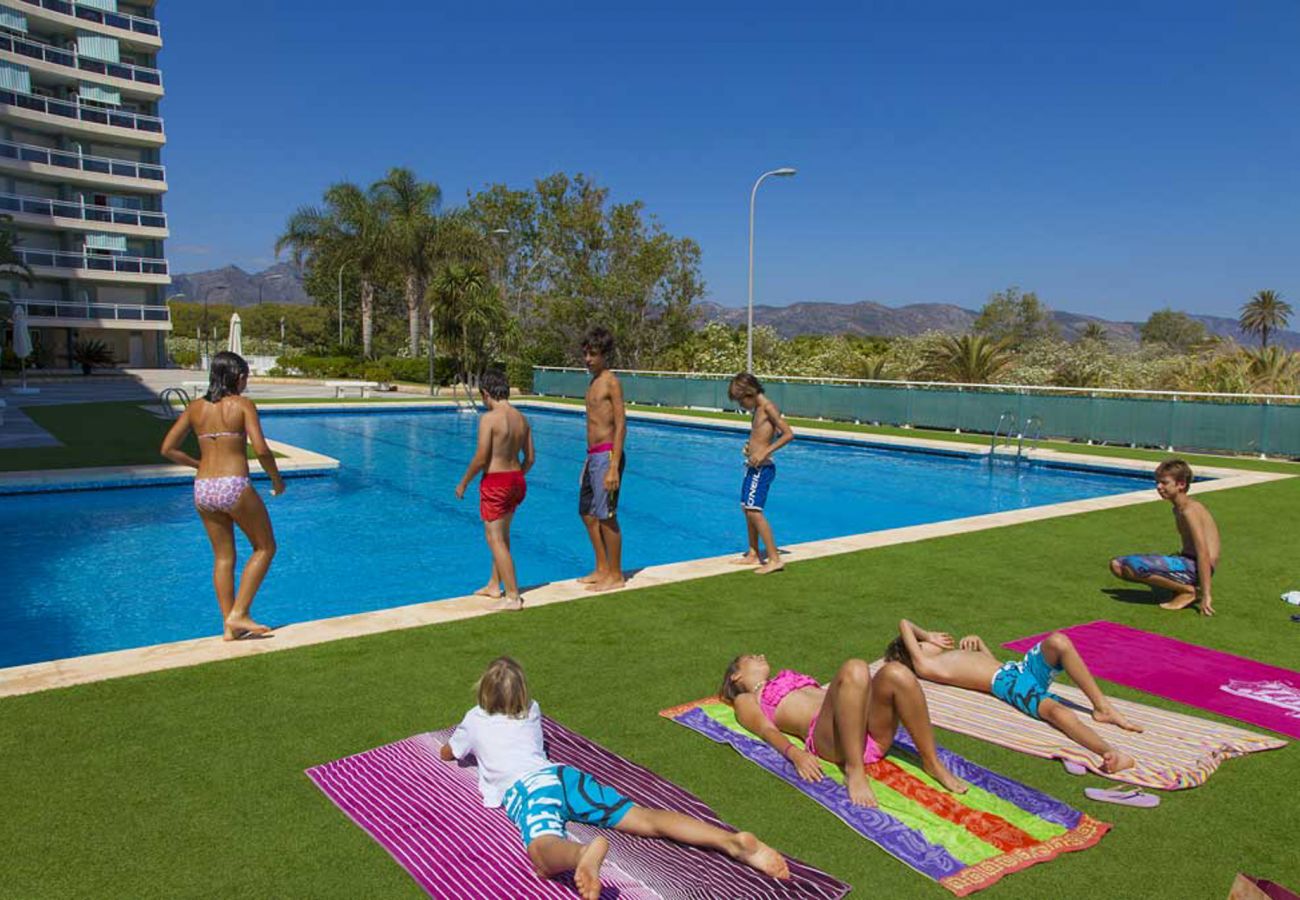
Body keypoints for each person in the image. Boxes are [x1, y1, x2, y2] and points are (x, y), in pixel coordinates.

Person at [440, 657, 789, 899]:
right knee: (647, 819)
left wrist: (461, 744)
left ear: (482, 692)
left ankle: (582, 854)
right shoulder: (532, 710)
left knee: (542, 854)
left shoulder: (474, 718)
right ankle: (729, 841)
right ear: (522, 694)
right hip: (564, 777)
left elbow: (449, 752)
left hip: (530, 789)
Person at [886, 619, 1142, 773]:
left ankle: (1102, 707)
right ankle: (1109, 752)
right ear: (915, 652)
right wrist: (926, 635)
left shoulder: (943, 659)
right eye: (923, 643)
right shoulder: (926, 665)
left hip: (1017, 670)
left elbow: (991, 665)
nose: (933, 640)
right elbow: (904, 623)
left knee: (1059, 641)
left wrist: (980, 644)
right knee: (1058, 712)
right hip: (1009, 684)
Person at [721, 652, 968, 808]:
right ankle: (853, 770)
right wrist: (795, 754)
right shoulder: (746, 699)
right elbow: (766, 730)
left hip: (865, 729)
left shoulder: (785, 677)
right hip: (831, 738)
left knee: (896, 672)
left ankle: (931, 761)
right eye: (751, 657)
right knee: (855, 667)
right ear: (736, 675)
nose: (761, 655)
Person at [160, 352, 283, 641]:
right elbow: (261, 449)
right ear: (238, 377)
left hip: (203, 488)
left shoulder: (195, 408)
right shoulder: (242, 405)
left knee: (223, 557)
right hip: (233, 484)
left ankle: (229, 626)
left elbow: (167, 449)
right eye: (245, 376)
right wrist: (276, 479)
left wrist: (198, 465)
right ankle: (240, 612)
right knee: (265, 547)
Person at [455, 369, 534, 611]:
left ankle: (512, 596)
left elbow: (481, 457)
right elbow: (530, 458)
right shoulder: (522, 419)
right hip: (516, 480)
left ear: (486, 393)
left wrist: (464, 482)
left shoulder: (489, 419)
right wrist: (516, 476)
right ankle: (493, 585)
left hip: (496, 482)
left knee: (494, 538)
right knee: (503, 535)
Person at [1109, 459, 1221, 616]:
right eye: (1157, 482)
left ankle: (1190, 592)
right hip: (1187, 562)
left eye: (1164, 483)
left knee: (1134, 565)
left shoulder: (1190, 510)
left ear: (1181, 484)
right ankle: (1180, 587)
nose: (1158, 487)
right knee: (1116, 565)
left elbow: (1203, 553)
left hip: (1196, 567)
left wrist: (1207, 593)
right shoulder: (1178, 508)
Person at [727, 373, 795, 575]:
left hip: (762, 468)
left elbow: (788, 434)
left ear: (749, 393)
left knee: (754, 511)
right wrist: (751, 447)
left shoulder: (768, 407)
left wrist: (764, 452)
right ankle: (753, 553)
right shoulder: (757, 409)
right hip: (752, 467)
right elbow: (763, 434)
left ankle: (774, 559)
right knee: (746, 508)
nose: (741, 405)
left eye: (741, 400)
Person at [577, 327, 627, 592]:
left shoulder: (610, 382)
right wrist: (588, 461)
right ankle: (602, 568)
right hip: (593, 457)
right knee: (587, 512)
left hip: (608, 456)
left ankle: (616, 575)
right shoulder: (592, 382)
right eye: (585, 354)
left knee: (606, 516)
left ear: (605, 354)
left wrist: (613, 466)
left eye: (593, 354)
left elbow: (621, 424)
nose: (588, 359)